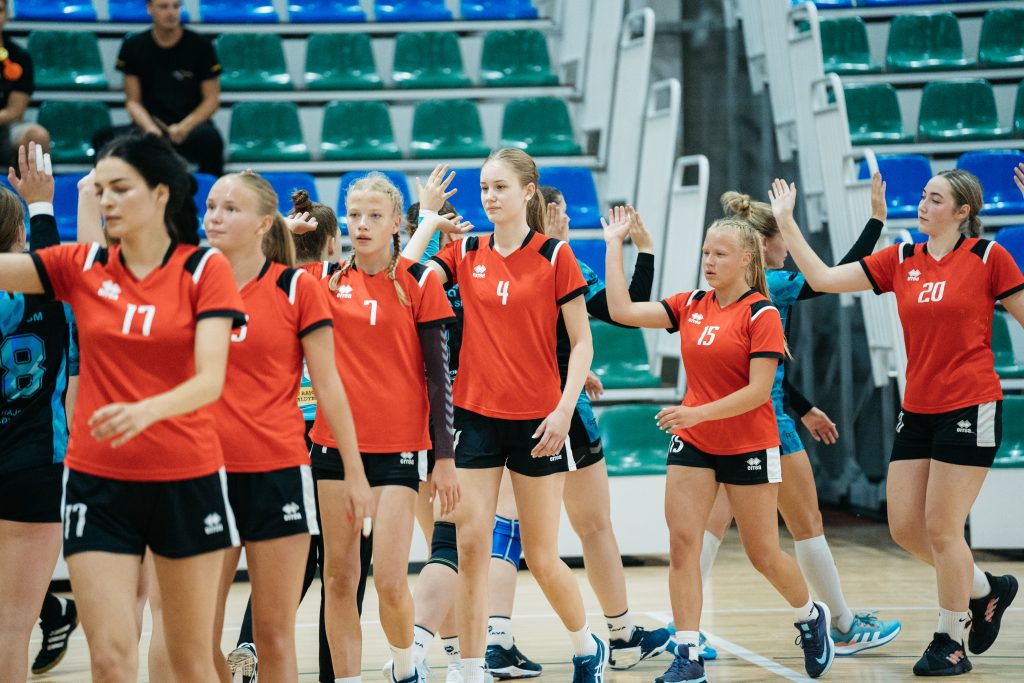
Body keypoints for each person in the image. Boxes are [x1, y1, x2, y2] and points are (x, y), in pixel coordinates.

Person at [0, 132, 245, 680]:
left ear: (160, 194)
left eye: (121, 188)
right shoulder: (83, 266)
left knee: (188, 659)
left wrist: (145, 411)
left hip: (184, 478)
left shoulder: (203, 270)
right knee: (110, 658)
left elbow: (210, 378)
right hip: (97, 484)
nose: (107, 200)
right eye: (102, 190)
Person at [769, 170, 1024, 677]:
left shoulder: (989, 257)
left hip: (971, 405)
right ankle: (985, 590)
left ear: (962, 212)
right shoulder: (901, 258)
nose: (923, 205)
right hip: (919, 408)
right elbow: (823, 279)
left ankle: (950, 640)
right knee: (906, 528)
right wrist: (786, 222)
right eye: (923, 196)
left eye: (936, 199)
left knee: (943, 528)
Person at [603, 206, 835, 682]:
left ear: (747, 258)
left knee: (762, 553)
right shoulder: (690, 304)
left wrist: (697, 412)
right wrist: (615, 244)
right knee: (682, 545)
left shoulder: (762, 312)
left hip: (749, 442)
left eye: (720, 254)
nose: (708, 261)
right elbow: (621, 311)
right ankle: (688, 654)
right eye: (706, 252)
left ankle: (811, 616)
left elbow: (758, 392)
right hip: (694, 442)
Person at [404, 151, 606, 683]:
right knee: (471, 548)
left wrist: (563, 410)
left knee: (541, 556)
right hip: (475, 419)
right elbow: (403, 280)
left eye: (500, 187)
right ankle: (472, 668)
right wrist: (428, 220)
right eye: (484, 188)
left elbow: (582, 343)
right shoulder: (464, 251)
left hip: (540, 422)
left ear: (528, 191)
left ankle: (587, 646)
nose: (490, 197)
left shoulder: (555, 255)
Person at [699, 176, 902, 655]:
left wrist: (806, 406)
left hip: (723, 422)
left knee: (708, 527)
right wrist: (876, 221)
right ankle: (843, 626)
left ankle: (683, 628)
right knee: (806, 524)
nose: (790, 249)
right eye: (784, 239)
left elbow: (759, 369)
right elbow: (836, 274)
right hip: (765, 424)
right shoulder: (774, 285)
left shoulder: (717, 293)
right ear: (762, 245)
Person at [483, 190, 672, 679]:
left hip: (500, 408)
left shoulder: (492, 262)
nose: (569, 217)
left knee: (505, 527)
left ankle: (495, 641)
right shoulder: (558, 260)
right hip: (557, 410)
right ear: (547, 213)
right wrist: (639, 249)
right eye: (563, 210)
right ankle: (620, 635)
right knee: (593, 526)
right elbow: (625, 309)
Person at [202, 171, 369, 681]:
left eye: (231, 208)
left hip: (277, 471)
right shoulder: (191, 281)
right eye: (211, 206)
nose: (215, 217)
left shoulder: (297, 287)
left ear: (262, 223)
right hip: (204, 474)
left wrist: (355, 472)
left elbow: (330, 386)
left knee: (273, 635)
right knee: (199, 635)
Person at [311, 172, 459, 683]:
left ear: (397, 222)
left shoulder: (420, 281)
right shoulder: (323, 280)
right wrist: (284, 229)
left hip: (400, 449)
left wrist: (444, 458)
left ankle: (405, 668)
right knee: (338, 577)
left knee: (390, 581)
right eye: (354, 215)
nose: (362, 224)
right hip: (333, 448)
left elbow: (439, 378)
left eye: (375, 215)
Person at [0, 144, 76, 679]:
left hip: (28, 466)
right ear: (20, 235)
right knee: (11, 629)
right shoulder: (47, 294)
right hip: (36, 466)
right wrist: (41, 204)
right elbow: (57, 269)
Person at [93, 0, 224, 176]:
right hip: (148, 127)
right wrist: (150, 129)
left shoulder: (201, 45)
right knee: (103, 139)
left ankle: (213, 189)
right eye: (164, 6)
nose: (171, 12)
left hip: (190, 128)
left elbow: (212, 100)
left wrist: (184, 127)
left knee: (212, 140)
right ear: (150, 9)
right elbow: (132, 101)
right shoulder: (133, 45)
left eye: (176, 6)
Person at [0, 1, 50, 164]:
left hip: (6, 128)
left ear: (7, 14)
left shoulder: (19, 56)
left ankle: (37, 182)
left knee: (37, 137)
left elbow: (15, 110)